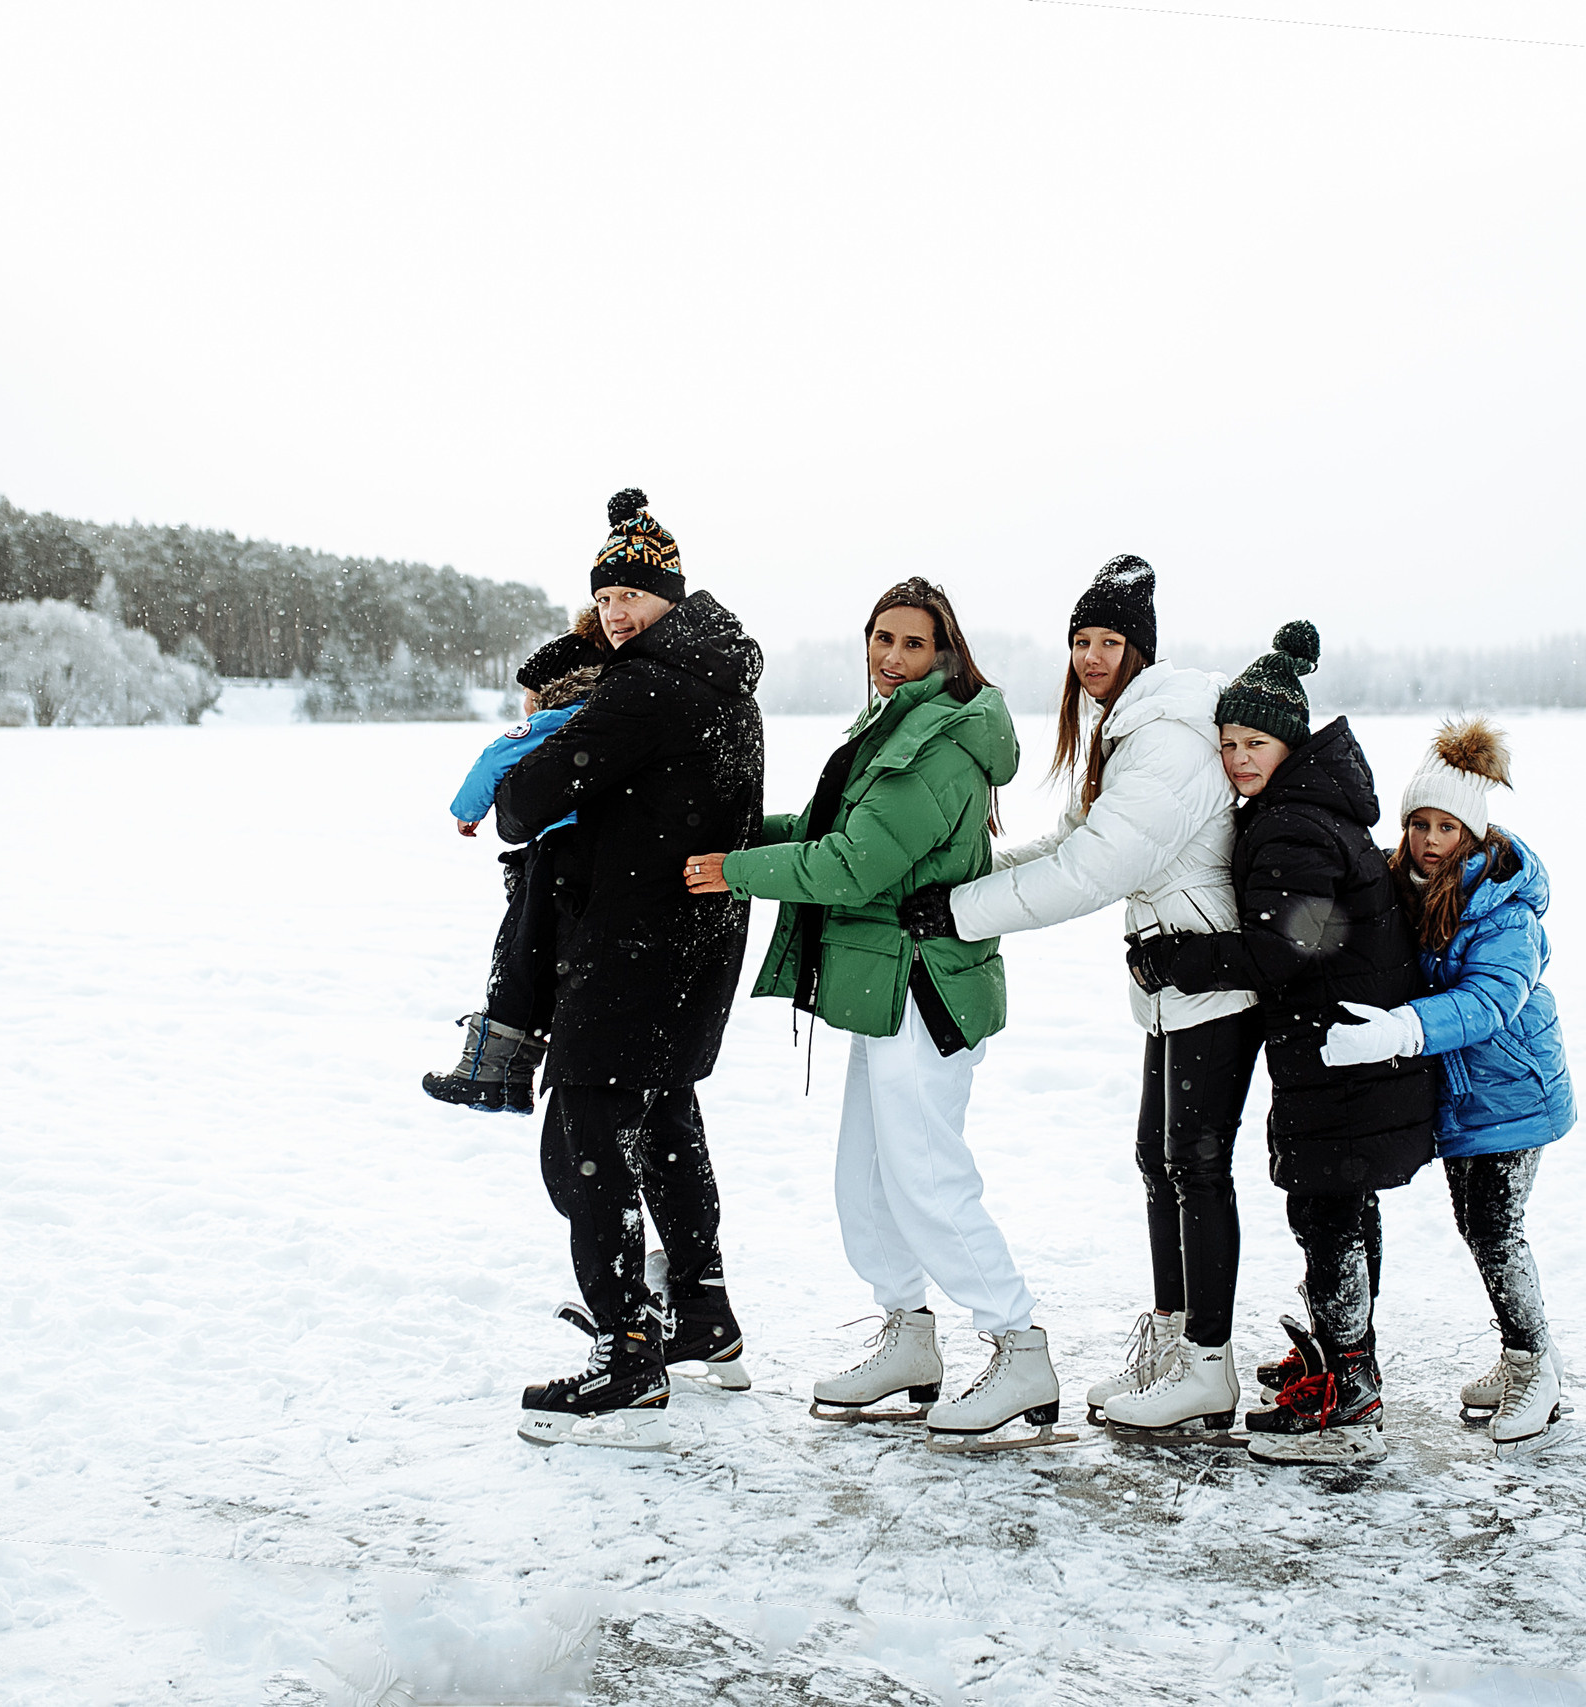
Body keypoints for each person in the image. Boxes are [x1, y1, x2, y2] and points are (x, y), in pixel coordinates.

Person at [685, 579, 1049, 1448]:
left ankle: (1019, 1343)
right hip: (887, 988)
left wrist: (732, 871)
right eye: (881, 637)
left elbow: (853, 864)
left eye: (913, 644)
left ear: (945, 654)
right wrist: (725, 836)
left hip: (927, 988)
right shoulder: (892, 724)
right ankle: (910, 1339)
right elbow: (820, 826)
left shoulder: (943, 744)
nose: (891, 656)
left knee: (926, 1179)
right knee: (867, 1181)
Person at [900, 554, 1258, 1437]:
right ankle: (1176, 1343)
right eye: (1080, 641)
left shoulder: (1167, 738)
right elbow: (1069, 840)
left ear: (1141, 649)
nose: (1091, 657)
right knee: (1161, 1160)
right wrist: (967, 874)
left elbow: (1094, 870)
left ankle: (1208, 1363)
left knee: (1196, 1167)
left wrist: (959, 911)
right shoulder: (1125, 726)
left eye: (1108, 641)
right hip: (1175, 978)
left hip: (1214, 976)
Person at [493, 489, 767, 1451]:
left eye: (632, 595)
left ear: (670, 596)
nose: (615, 612)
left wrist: (528, 768)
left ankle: (627, 1352)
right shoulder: (724, 676)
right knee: (666, 1124)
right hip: (693, 946)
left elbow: (528, 799)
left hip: (630, 949)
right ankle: (701, 1312)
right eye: (603, 595)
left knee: (589, 1144)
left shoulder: (648, 686)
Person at [1123, 623, 1437, 1461]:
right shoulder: (1309, 806)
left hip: (1340, 1055)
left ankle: (1347, 1402)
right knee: (1341, 1207)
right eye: (1226, 742)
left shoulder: (1293, 823)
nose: (1236, 758)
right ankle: (1343, 1358)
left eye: (1254, 741)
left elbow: (1284, 947)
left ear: (1289, 740)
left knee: (1328, 1209)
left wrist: (1172, 959)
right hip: (1348, 1051)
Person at [1317, 718, 1575, 1452]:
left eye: (1446, 826)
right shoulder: (1408, 883)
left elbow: (1491, 1001)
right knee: (1477, 1222)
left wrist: (1403, 1028)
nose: (1429, 839)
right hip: (1464, 1097)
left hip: (1514, 1092)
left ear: (1475, 830)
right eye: (1419, 823)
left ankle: (1536, 1365)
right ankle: (1522, 1352)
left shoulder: (1503, 906)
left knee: (1495, 1227)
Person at [422, 610, 609, 1113]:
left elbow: (493, 760)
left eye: (528, 693)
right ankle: (505, 1077)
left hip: (551, 854)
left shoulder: (553, 720)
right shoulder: (612, 721)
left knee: (516, 960)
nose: (522, 703)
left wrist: (467, 812)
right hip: (593, 860)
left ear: (552, 689)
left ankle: (488, 1076)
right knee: (539, 964)